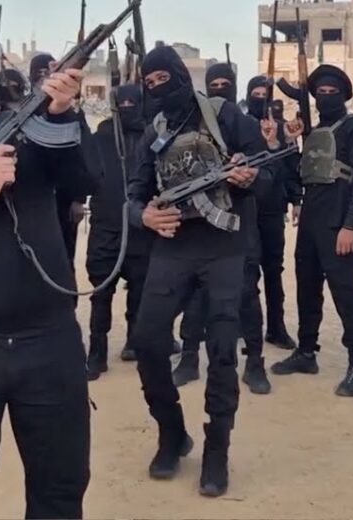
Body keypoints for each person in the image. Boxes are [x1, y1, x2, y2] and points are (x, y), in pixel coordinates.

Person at [0, 43, 92, 519]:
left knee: (59, 492)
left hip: (49, 343)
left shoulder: (25, 130)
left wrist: (62, 113)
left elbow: (83, 181)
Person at [129, 46, 272, 497]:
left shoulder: (226, 116)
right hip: (173, 247)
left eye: (163, 79)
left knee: (223, 350)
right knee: (147, 341)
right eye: (149, 83)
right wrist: (144, 216)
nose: (157, 88)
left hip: (225, 246)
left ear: (179, 74)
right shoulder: (154, 129)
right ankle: (172, 432)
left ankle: (217, 450)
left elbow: (271, 176)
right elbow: (133, 193)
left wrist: (250, 177)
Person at [272, 64, 353, 398]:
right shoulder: (314, 130)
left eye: (332, 92)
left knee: (345, 293)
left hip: (338, 222)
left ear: (344, 96)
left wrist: (351, 224)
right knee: (307, 289)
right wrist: (291, 140)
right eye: (321, 93)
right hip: (311, 222)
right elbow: (300, 172)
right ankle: (306, 352)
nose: (326, 97)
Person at [173, 62, 271, 395]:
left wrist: (248, 176)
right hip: (198, 224)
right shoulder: (189, 123)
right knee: (195, 294)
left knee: (246, 292)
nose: (219, 91)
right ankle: (189, 358)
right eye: (212, 85)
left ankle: (255, 362)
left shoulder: (244, 125)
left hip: (239, 221)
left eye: (224, 84)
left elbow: (269, 178)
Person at [85, 83, 154, 380]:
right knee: (101, 292)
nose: (127, 108)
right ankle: (97, 352)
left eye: (132, 103)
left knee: (139, 289)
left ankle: (134, 343)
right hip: (106, 227)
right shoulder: (101, 136)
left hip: (140, 226)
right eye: (121, 104)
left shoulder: (151, 135)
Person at [245, 75, 300, 349]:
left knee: (273, 271)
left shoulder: (281, 128)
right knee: (247, 271)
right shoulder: (239, 125)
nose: (259, 99)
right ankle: (249, 328)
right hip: (245, 209)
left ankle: (276, 327)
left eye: (263, 95)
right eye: (254, 94)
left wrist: (296, 199)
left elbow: (291, 168)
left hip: (272, 209)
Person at [30, 53, 89, 269]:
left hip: (64, 200)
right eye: (38, 74)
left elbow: (83, 158)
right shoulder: (23, 110)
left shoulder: (70, 111)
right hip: (32, 201)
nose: (43, 78)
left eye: (47, 73)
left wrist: (79, 199)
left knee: (64, 257)